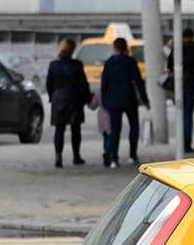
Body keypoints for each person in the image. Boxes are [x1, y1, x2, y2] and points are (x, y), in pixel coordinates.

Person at [100, 37, 148, 168]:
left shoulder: (109, 63)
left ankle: (114, 159)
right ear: (125, 47)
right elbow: (139, 82)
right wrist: (145, 100)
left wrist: (104, 101)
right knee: (134, 127)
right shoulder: (130, 62)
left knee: (115, 130)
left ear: (114, 48)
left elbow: (104, 83)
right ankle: (132, 155)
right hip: (129, 98)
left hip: (113, 100)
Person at [44, 38, 92, 168]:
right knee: (75, 130)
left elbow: (49, 84)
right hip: (74, 100)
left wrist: (51, 97)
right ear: (72, 50)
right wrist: (88, 98)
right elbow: (83, 84)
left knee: (59, 130)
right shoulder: (77, 65)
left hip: (58, 100)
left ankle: (58, 157)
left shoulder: (53, 65)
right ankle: (76, 156)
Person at [166, 27, 194, 153]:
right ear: (192, 36)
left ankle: (181, 143)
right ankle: (187, 144)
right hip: (191, 82)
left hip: (178, 83)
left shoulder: (176, 48)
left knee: (180, 113)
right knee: (188, 114)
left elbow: (169, 65)